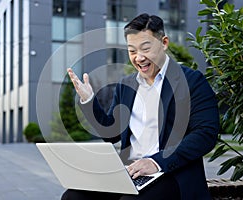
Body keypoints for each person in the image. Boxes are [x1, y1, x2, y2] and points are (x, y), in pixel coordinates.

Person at [62, 13, 220, 200]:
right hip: (130, 172)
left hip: (170, 174)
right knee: (73, 197)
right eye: (132, 51)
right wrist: (89, 100)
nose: (139, 58)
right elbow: (110, 133)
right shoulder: (126, 85)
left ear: (164, 43)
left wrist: (156, 162)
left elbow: (206, 134)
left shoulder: (192, 81)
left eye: (146, 48)